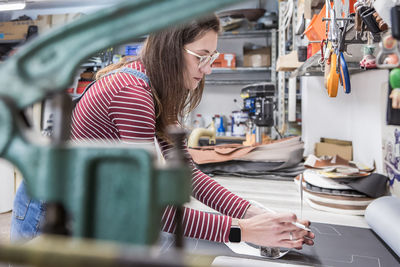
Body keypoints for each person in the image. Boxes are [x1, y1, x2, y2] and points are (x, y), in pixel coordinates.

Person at [11, 14, 314, 248]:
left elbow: (187, 176)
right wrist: (243, 231)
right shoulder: (132, 93)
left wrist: (256, 214)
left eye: (212, 57)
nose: (208, 68)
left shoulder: (153, 89)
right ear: (171, 50)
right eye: (201, 56)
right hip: (49, 213)